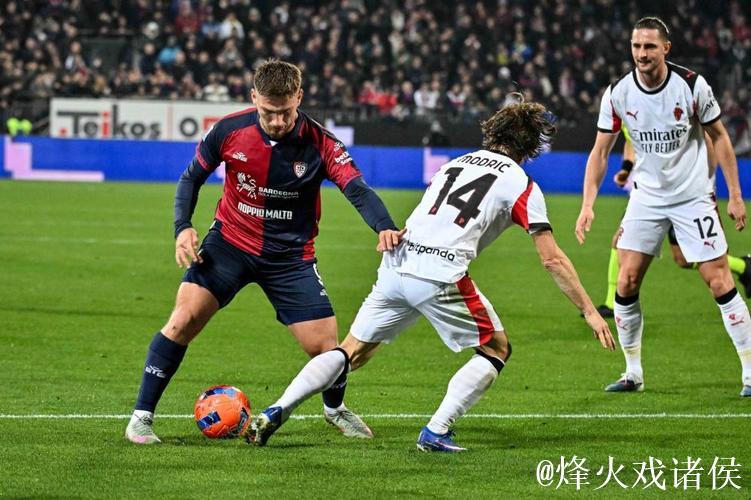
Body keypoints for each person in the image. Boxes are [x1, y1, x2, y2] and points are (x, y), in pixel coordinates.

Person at [246, 97, 616, 452]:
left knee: (351, 351)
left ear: (493, 133)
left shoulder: (454, 165)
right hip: (440, 273)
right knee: (496, 348)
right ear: (531, 147)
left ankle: (275, 410)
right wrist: (589, 309)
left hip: (397, 263)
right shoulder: (522, 183)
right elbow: (552, 259)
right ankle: (436, 431)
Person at [125, 59, 403, 444]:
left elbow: (356, 188)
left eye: (285, 111)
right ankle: (141, 418)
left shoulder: (322, 143)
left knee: (326, 348)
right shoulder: (228, 130)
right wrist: (182, 227)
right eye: (269, 112)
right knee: (183, 318)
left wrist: (384, 225)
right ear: (254, 97)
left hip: (290, 258)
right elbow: (191, 178)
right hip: (230, 245)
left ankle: (335, 408)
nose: (277, 121)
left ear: (299, 97)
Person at [575, 17, 751, 396]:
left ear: (665, 49)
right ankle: (632, 373)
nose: (642, 54)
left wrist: (734, 194)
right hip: (647, 198)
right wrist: (588, 204)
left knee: (718, 280)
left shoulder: (691, 85)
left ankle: (750, 373)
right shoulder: (618, 93)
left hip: (692, 197)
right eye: (637, 46)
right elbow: (600, 152)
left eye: (650, 46)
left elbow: (720, 137)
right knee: (626, 280)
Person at [594, 126, 751, 318]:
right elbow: (631, 142)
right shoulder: (628, 114)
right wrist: (626, 168)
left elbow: (710, 138)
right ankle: (744, 267)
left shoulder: (673, 114)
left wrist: (707, 186)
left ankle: (612, 303)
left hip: (684, 196)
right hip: (651, 197)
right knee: (681, 259)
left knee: (621, 242)